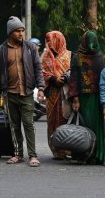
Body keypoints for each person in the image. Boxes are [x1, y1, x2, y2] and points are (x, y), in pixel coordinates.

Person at [0, 16, 45, 167]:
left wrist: (41, 88)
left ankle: (33, 155)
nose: (21, 33)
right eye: (18, 31)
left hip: (27, 92)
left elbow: (38, 68)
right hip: (9, 94)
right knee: (14, 125)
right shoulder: (1, 51)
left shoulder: (30, 48)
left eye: (22, 30)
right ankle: (18, 154)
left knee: (28, 124)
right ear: (10, 32)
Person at [69, 30, 105, 165]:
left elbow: (104, 77)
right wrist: (75, 98)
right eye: (89, 40)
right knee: (85, 125)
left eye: (93, 40)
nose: (91, 44)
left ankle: (98, 155)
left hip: (97, 97)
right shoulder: (77, 57)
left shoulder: (99, 56)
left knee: (97, 126)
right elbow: (73, 79)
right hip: (83, 98)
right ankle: (82, 154)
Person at [41, 31, 72, 159]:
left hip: (65, 94)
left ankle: (68, 149)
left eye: (51, 40)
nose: (49, 43)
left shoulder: (69, 55)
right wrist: (54, 79)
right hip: (52, 95)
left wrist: (64, 78)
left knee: (65, 120)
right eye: (47, 40)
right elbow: (42, 73)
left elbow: (73, 72)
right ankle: (56, 150)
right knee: (52, 121)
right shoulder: (45, 56)